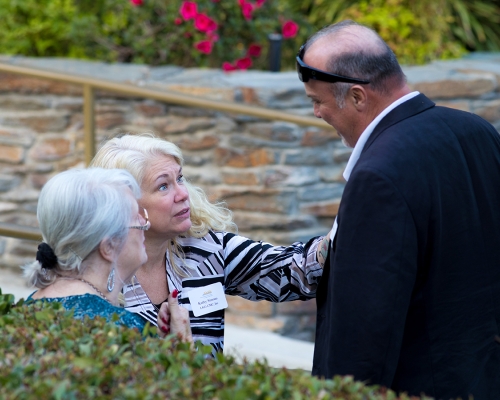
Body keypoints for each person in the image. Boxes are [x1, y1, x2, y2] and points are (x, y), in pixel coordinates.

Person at [297, 20, 500, 399]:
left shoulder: (377, 176)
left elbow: (365, 329)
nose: (316, 113)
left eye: (317, 100)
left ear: (358, 97)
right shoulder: (478, 131)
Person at [90, 133, 330, 354]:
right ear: (127, 204)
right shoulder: (94, 271)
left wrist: (345, 228)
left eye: (180, 178)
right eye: (163, 186)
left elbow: (292, 271)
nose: (183, 193)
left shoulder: (204, 249)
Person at [22, 167, 191, 341]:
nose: (146, 225)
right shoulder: (123, 330)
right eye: (136, 219)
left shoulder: (25, 310)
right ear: (108, 246)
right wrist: (178, 352)